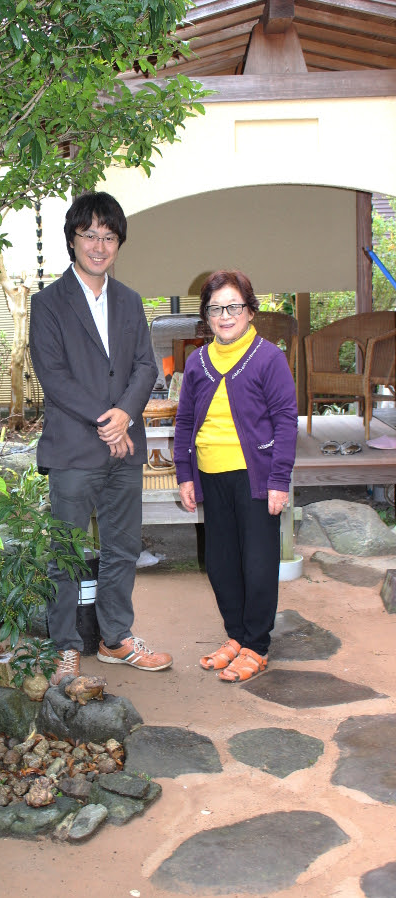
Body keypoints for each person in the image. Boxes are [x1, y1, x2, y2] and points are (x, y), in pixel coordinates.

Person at [29, 191, 173, 685]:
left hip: (124, 447)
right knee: (66, 554)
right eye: (89, 235)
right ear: (72, 239)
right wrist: (107, 421)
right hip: (74, 449)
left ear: (118, 244)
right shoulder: (48, 303)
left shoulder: (130, 301)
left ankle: (116, 638)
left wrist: (125, 414)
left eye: (108, 237)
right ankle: (65, 647)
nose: (98, 245)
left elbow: (145, 366)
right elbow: (53, 375)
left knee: (122, 548)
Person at [174, 270, 297, 682]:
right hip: (211, 476)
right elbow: (185, 421)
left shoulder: (268, 357)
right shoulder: (197, 362)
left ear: (249, 310)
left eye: (233, 307)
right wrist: (185, 475)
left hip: (255, 478)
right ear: (206, 316)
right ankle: (236, 637)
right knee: (221, 563)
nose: (224, 316)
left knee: (258, 564)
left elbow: (285, 421)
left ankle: (256, 646)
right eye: (215, 309)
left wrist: (279, 480)